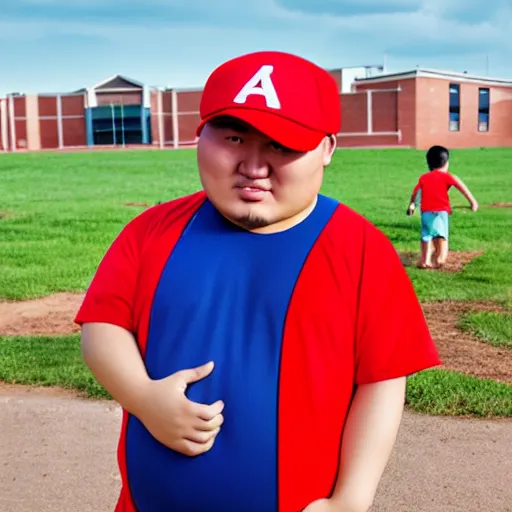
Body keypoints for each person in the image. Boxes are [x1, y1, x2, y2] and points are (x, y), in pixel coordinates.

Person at [75, 50, 441, 512]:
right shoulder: (153, 232)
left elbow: (383, 380)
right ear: (199, 136)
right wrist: (143, 397)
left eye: (281, 146)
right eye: (233, 138)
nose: (253, 165)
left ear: (327, 148)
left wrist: (351, 498)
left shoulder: (359, 250)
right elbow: (102, 326)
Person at [407, 145, 479, 269]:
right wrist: (473, 202)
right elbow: (461, 187)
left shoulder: (423, 178)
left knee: (426, 235)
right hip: (441, 212)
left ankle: (425, 261)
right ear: (446, 163)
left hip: (426, 212)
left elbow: (416, 193)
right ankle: (440, 258)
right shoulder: (448, 176)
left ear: (428, 163)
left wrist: (411, 206)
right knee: (442, 235)